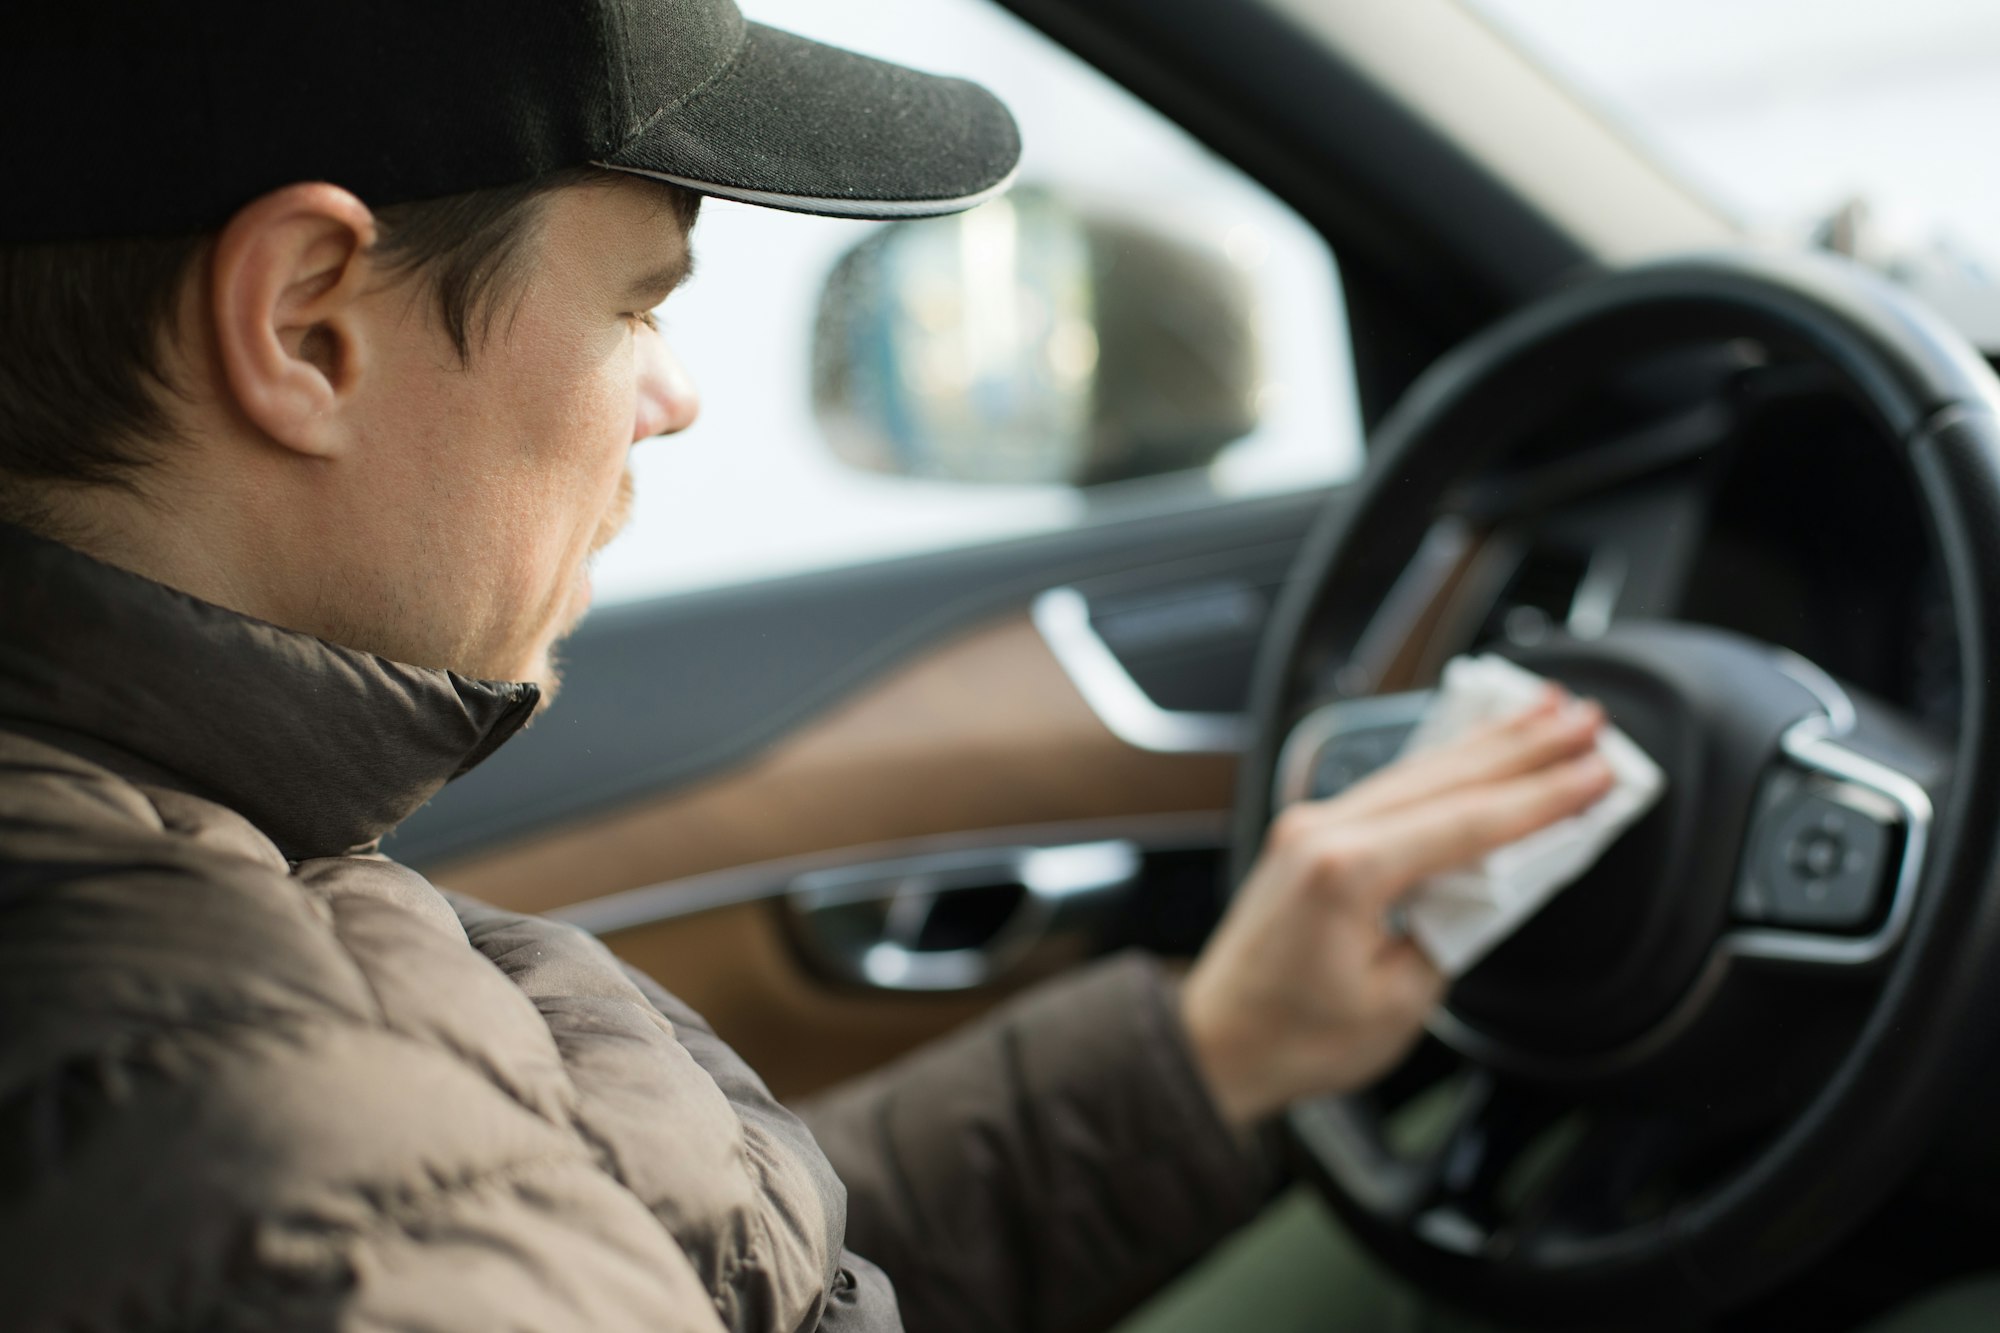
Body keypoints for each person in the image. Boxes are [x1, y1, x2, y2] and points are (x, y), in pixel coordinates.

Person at [0, 2, 1616, 1329]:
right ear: (305, 325)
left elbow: (644, 1260)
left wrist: (1212, 1055)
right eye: (636, 303)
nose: (673, 395)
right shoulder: (255, 1139)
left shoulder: (207, 929)